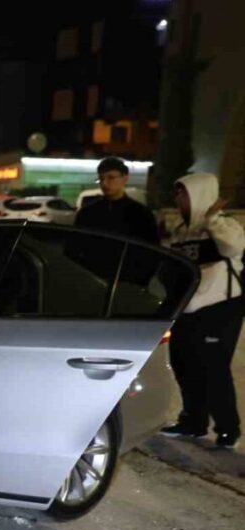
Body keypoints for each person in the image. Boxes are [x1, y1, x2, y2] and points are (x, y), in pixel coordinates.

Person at [160, 172, 245, 449]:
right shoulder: (181, 230)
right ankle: (193, 422)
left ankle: (227, 430)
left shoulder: (226, 226)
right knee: (184, 364)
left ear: (197, 194)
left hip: (221, 308)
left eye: (182, 192)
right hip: (188, 309)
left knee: (213, 369)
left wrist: (212, 221)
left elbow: (233, 247)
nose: (177, 198)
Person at [74, 157, 159, 243]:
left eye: (111, 178)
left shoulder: (141, 214)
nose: (104, 183)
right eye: (101, 179)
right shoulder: (87, 213)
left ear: (125, 179)